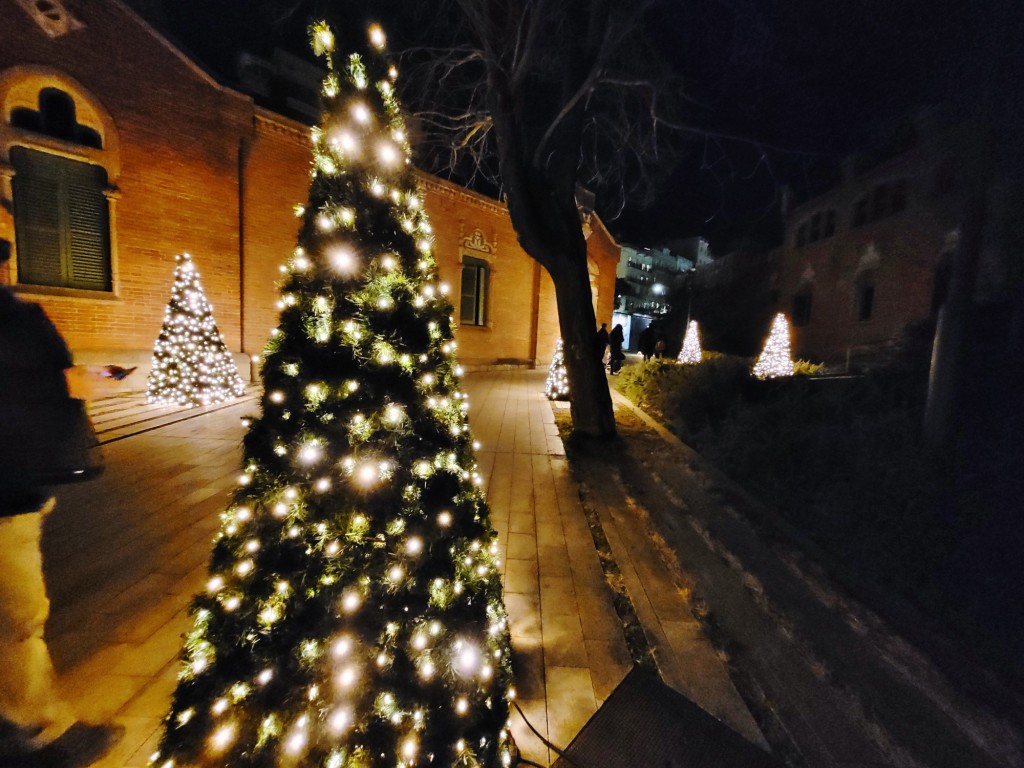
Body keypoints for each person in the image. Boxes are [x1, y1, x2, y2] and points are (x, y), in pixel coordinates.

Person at [0, 248, 123, 767]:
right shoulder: (13, 317)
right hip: (5, 495)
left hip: (13, 489)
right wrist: (66, 384)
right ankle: (37, 726)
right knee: (18, 616)